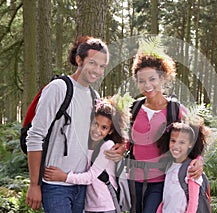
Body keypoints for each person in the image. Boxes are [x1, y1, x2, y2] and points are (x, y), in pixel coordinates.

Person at [25, 36, 110, 212]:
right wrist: (34, 184)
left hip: (81, 184)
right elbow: (35, 136)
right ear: (79, 60)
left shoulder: (94, 97)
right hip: (55, 186)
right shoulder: (59, 88)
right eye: (92, 63)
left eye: (102, 66)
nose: (97, 70)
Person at [128, 49, 204, 213]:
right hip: (134, 179)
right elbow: (126, 140)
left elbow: (197, 137)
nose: (147, 85)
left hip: (161, 179)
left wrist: (199, 160)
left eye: (152, 79)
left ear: (162, 78)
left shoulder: (176, 110)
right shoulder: (133, 108)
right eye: (142, 81)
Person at [43, 98, 127, 213]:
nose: (97, 130)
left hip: (105, 206)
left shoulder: (107, 146)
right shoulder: (86, 142)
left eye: (104, 127)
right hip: (90, 206)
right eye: (95, 124)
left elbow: (91, 177)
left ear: (110, 131)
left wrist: (64, 177)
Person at [156, 120, 210, 213]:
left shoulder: (191, 169)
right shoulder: (170, 166)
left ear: (190, 144)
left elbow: (193, 202)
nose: (176, 146)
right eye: (173, 141)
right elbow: (166, 197)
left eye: (181, 142)